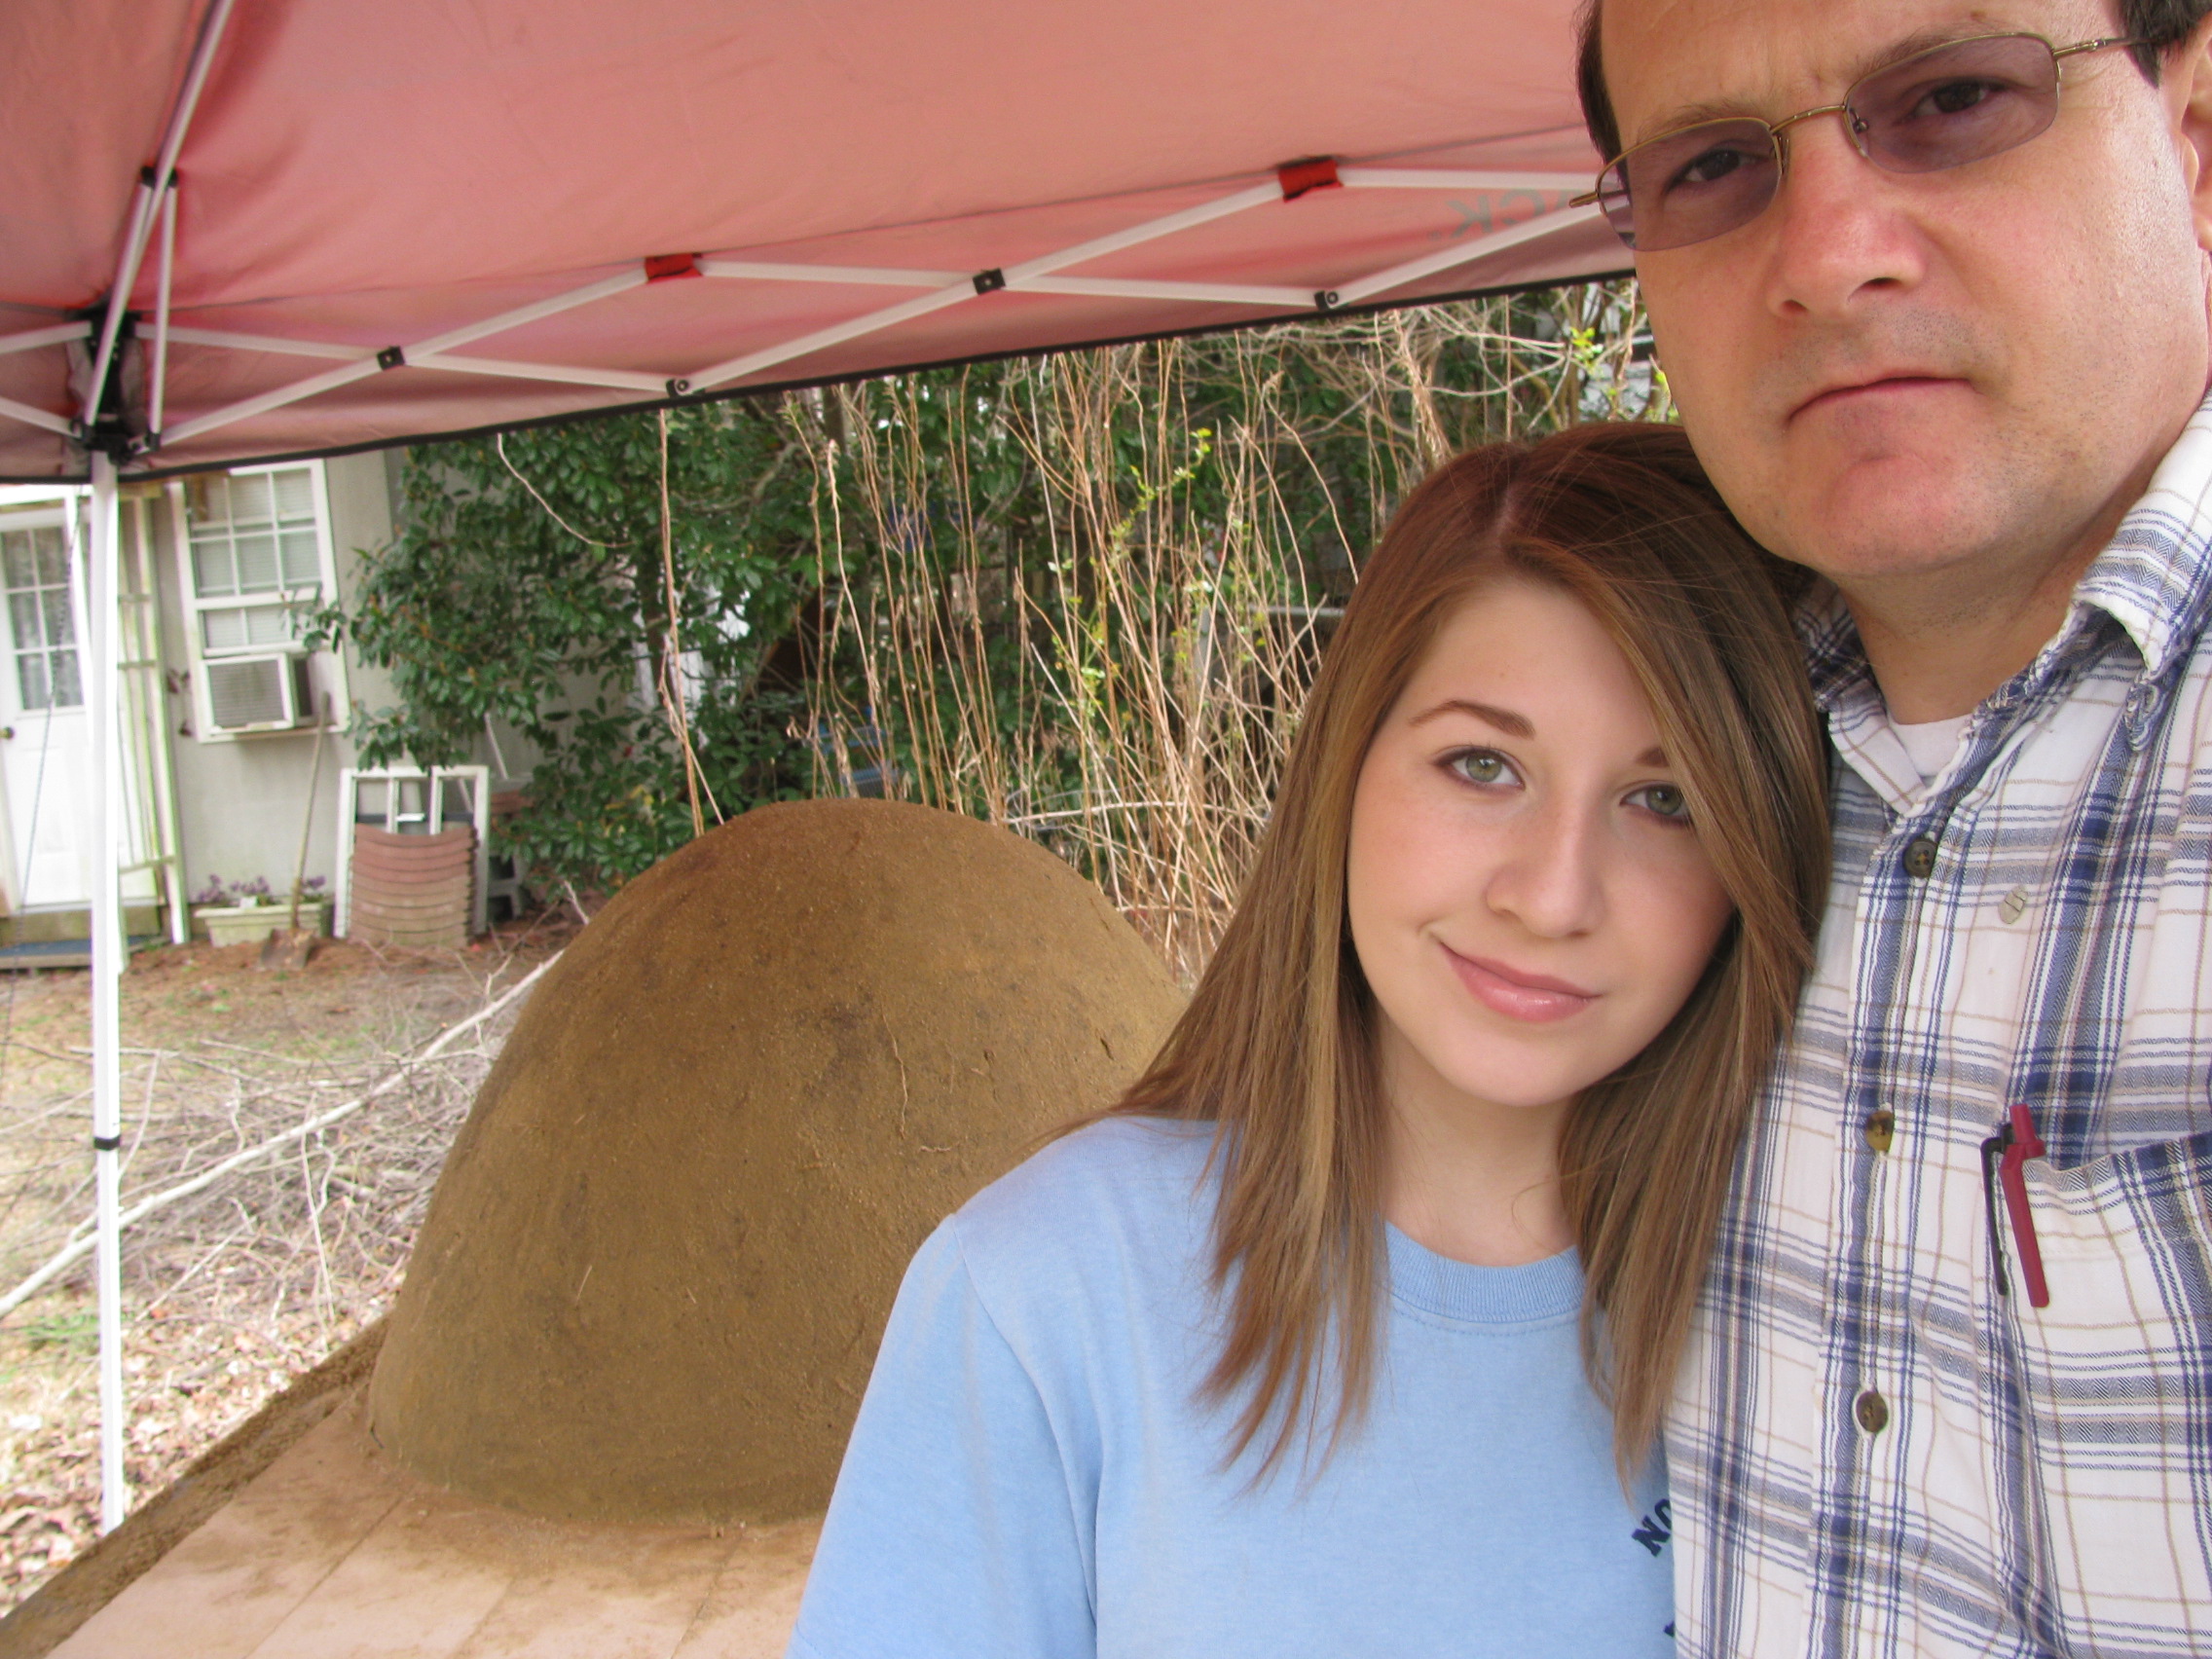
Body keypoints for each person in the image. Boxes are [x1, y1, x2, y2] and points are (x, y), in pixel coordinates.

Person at [784, 423, 1830, 1659]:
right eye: (1481, 765)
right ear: (1345, 763)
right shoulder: (1043, 1294)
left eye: (1665, 801)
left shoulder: (1820, 1304)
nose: (1553, 898)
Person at [1572, 1, 2212, 1654]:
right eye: (1714, 167)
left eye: (1952, 100)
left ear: (2194, 137)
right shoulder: (1640, 788)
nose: (1827, 255)